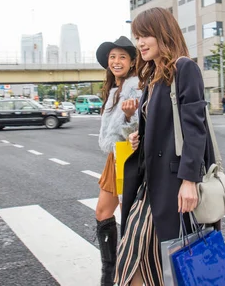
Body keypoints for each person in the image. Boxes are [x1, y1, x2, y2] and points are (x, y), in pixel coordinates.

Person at [115, 7, 216, 286]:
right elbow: (162, 128)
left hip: (173, 186)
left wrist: (189, 181)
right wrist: (141, 139)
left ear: (163, 33)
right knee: (134, 260)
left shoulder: (184, 68)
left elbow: (196, 130)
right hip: (149, 185)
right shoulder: (152, 76)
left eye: (145, 35)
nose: (140, 43)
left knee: (161, 264)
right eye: (137, 37)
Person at [94, 36, 141, 286]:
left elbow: (138, 129)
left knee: (129, 218)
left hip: (128, 155)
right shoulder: (115, 90)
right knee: (103, 212)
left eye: (122, 56)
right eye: (112, 57)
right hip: (115, 157)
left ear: (132, 61)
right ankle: (110, 274)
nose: (116, 61)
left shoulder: (137, 87)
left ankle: (129, 272)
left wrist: (130, 116)